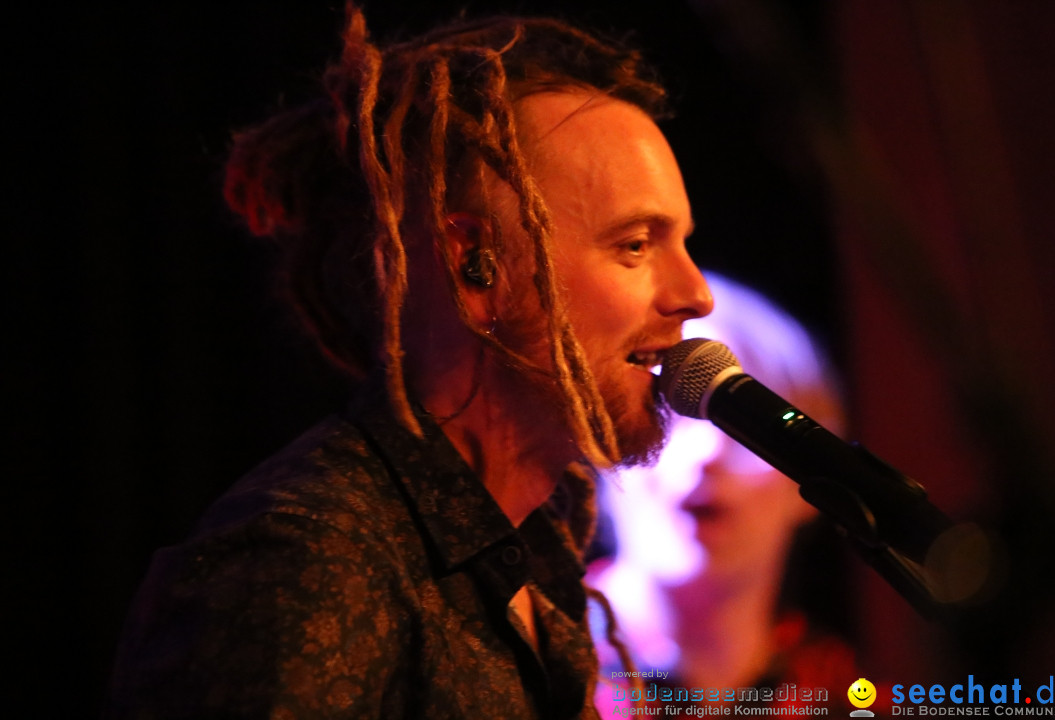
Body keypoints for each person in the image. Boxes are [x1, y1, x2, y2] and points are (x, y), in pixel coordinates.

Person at [106, 8, 712, 719]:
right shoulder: (307, 560)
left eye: (682, 242)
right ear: (474, 265)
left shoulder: (534, 554)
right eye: (635, 244)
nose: (695, 295)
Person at [588, 271, 856, 713]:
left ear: (812, 476)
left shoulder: (842, 698)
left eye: (747, 422)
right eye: (669, 410)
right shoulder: (531, 662)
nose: (709, 449)